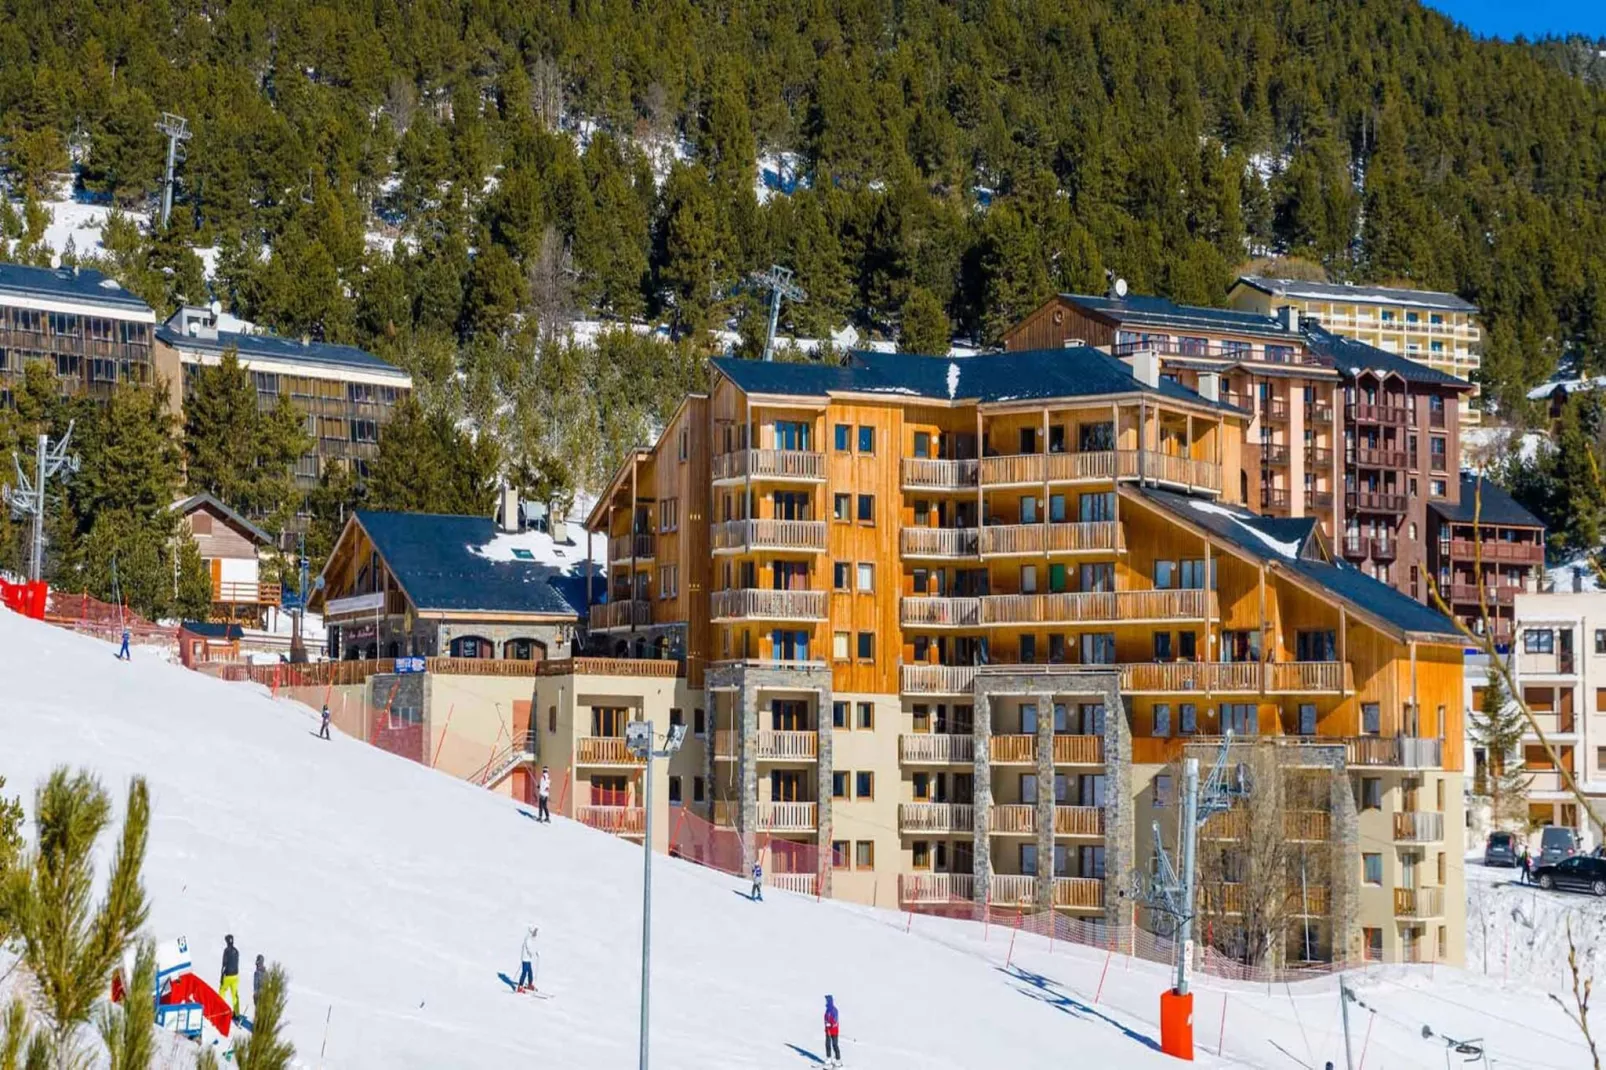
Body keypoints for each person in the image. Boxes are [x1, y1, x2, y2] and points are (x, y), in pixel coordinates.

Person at [219, 935, 241, 1017]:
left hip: (228, 976)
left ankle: (221, 1010)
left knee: (222, 991)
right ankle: (237, 1013)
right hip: (235, 976)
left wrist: (222, 977)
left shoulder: (226, 951)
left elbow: (224, 965)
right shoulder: (236, 951)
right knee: (235, 994)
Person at [516, 924, 538, 993]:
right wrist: (534, 953)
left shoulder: (531, 938)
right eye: (534, 931)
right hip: (525, 959)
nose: (535, 933)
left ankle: (530, 984)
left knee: (530, 972)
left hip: (528, 959)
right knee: (524, 973)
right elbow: (529, 949)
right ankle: (520, 987)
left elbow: (532, 946)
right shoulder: (528, 939)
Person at [823, 995, 841, 1066]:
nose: (826, 1002)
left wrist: (831, 1024)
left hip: (834, 1031)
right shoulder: (827, 1010)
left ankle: (838, 1060)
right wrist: (826, 1023)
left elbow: (836, 1021)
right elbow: (825, 1018)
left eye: (827, 1000)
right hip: (828, 1030)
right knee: (827, 1044)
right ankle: (828, 1058)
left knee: (834, 1044)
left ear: (830, 1001)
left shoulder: (834, 1010)